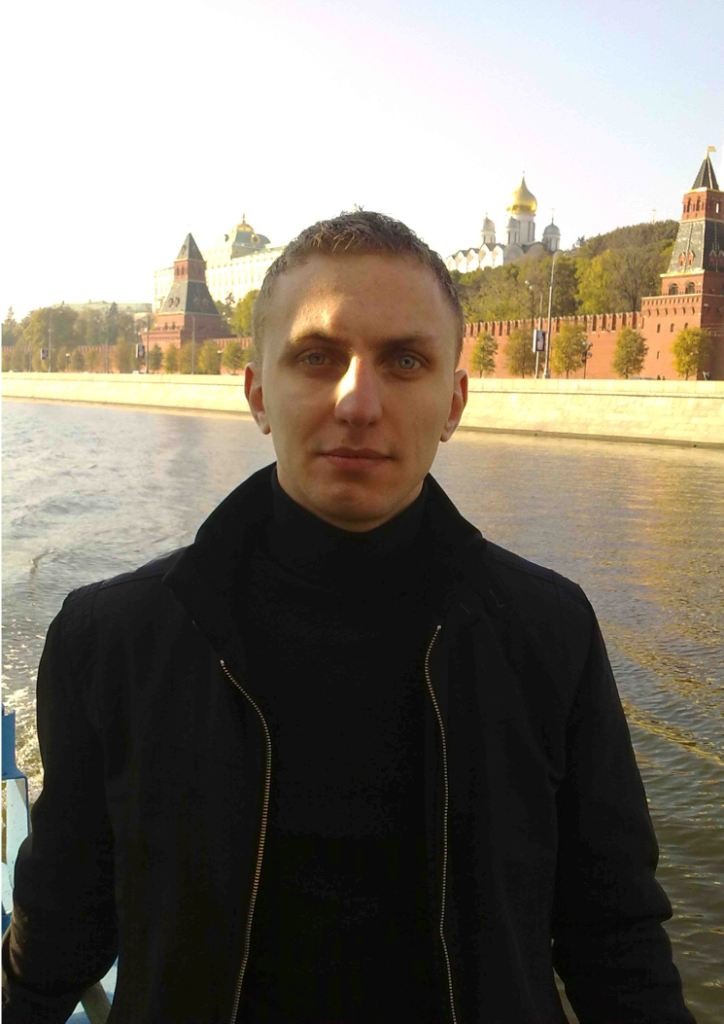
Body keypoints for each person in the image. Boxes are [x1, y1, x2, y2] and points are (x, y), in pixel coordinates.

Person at [3, 211, 694, 1024]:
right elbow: (57, 934)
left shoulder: (550, 633)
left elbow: (616, 941)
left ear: (454, 403)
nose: (358, 402)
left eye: (405, 360)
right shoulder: (111, 642)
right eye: (316, 357)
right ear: (258, 393)